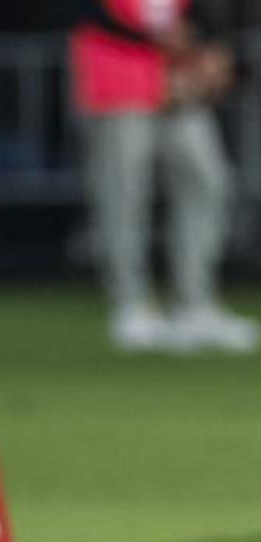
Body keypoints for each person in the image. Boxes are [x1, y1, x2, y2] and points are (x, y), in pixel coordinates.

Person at [70, 0, 259, 353]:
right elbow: (86, 12)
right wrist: (158, 37)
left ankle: (195, 305)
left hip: (175, 76)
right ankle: (131, 306)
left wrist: (208, 46)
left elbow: (195, 13)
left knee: (208, 181)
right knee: (124, 194)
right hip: (120, 74)